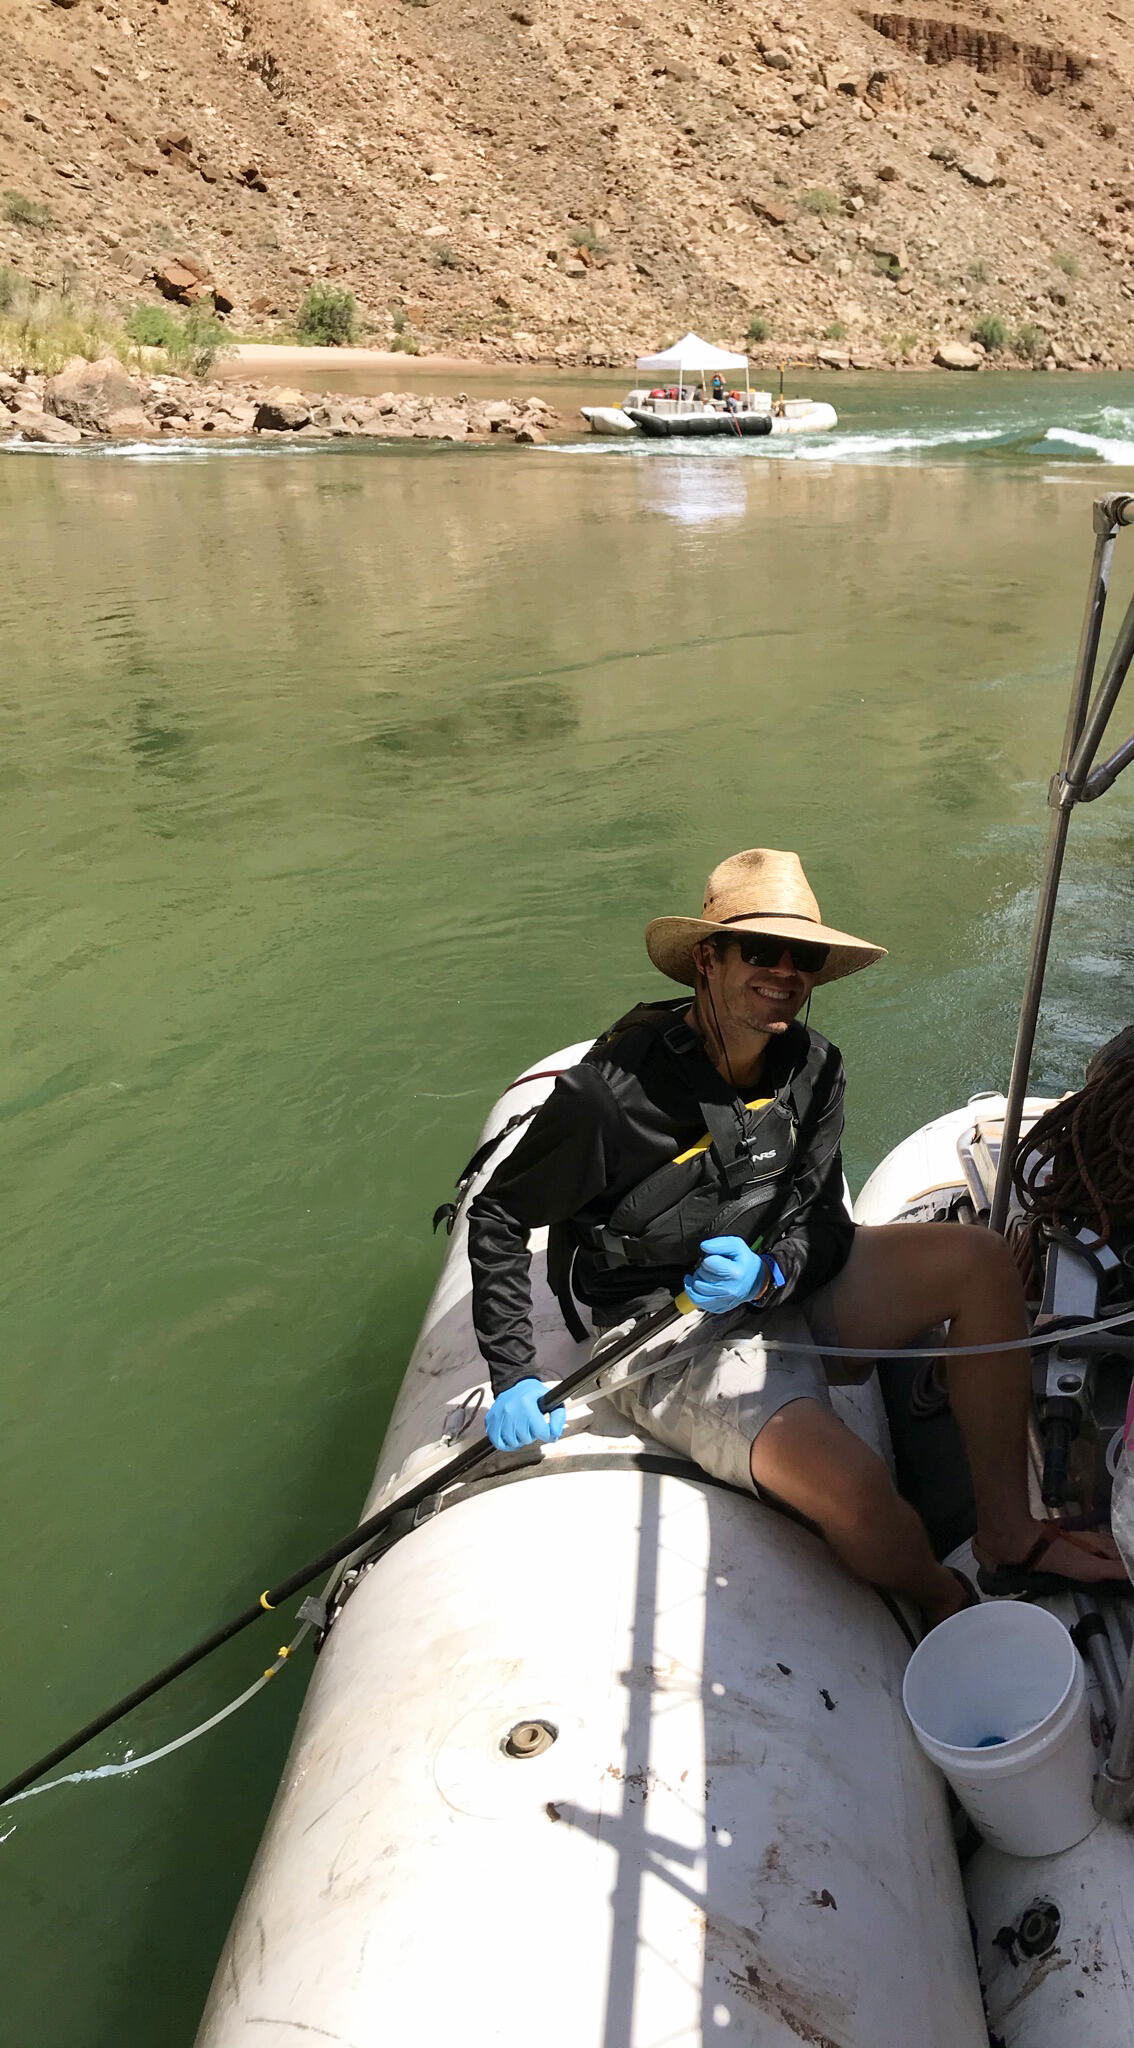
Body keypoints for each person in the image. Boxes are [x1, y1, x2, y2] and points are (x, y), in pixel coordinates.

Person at [467, 848, 1128, 1624]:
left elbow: (821, 1219)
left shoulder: (814, 1068)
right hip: (666, 1332)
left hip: (779, 1283)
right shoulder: (613, 1098)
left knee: (980, 1260)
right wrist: (513, 1372)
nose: (784, 971)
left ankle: (1008, 1532)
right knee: (856, 1495)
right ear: (708, 959)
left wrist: (771, 1275)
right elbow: (500, 1216)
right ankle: (943, 1602)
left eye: (803, 955)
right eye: (760, 950)